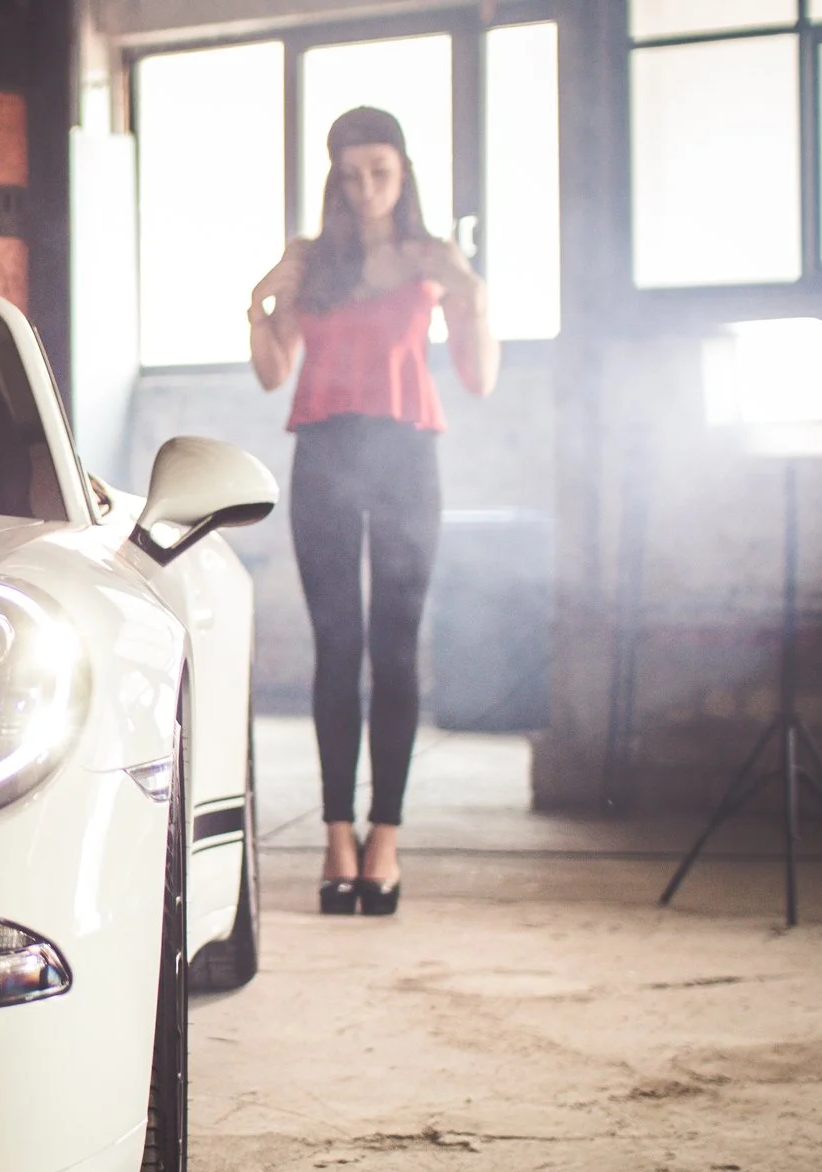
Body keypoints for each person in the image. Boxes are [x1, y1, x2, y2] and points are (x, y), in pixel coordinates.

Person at [247, 106, 497, 917]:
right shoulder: (310, 260)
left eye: (380, 172)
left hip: (404, 459)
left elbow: (479, 377)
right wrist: (261, 308)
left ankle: (384, 837)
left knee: (394, 650)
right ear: (334, 177)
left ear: (404, 171)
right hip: (323, 455)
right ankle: (336, 838)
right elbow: (272, 372)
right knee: (336, 647)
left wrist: (472, 295)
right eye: (351, 174)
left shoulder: (432, 259)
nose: (365, 189)